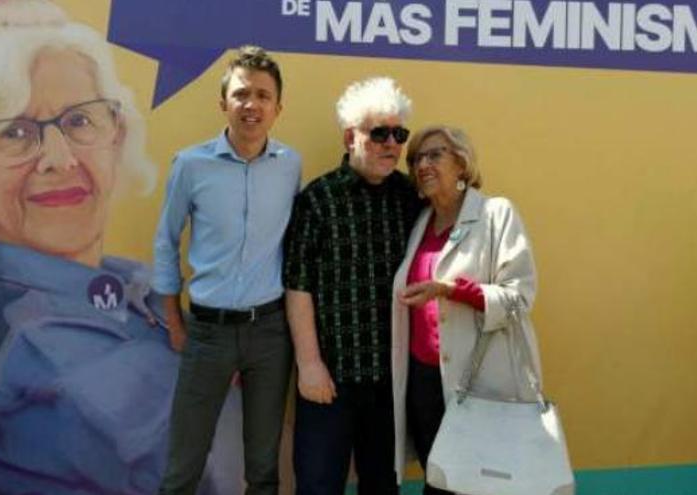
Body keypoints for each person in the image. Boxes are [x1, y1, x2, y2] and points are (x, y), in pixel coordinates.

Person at [0, 0, 240, 493]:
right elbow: (230, 465)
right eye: (13, 132)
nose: (59, 158)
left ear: (116, 136)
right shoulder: (32, 343)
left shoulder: (123, 281)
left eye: (78, 121)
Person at [153, 45, 301, 495]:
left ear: (277, 108)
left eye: (262, 95)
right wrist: (175, 323)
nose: (251, 105)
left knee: (262, 467)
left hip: (270, 334)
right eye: (241, 94)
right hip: (207, 333)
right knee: (184, 465)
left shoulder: (290, 166)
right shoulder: (191, 165)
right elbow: (165, 240)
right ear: (223, 103)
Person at [284, 77, 423, 495]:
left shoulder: (411, 199)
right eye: (378, 132)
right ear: (350, 137)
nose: (391, 144)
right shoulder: (318, 199)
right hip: (330, 380)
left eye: (398, 134)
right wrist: (309, 365)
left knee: (382, 487)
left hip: (391, 382)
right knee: (318, 486)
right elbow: (297, 285)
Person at [390, 125, 542, 494]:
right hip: (423, 382)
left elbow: (519, 296)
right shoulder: (420, 222)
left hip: (479, 383)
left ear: (461, 163)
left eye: (434, 155)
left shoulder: (496, 214)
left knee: (478, 484)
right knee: (439, 479)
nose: (422, 165)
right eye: (416, 159)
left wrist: (450, 290)